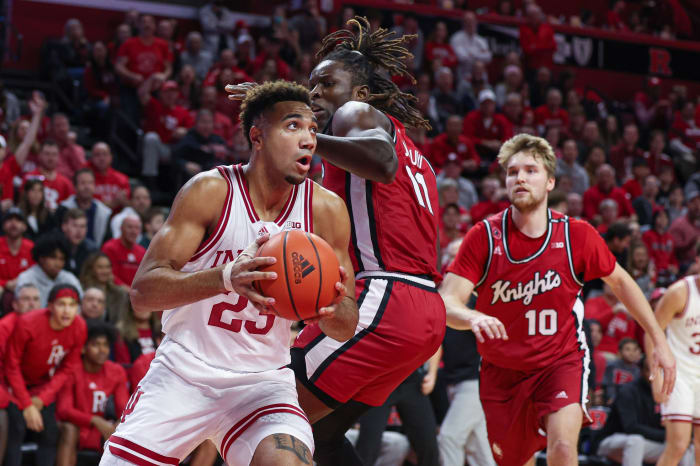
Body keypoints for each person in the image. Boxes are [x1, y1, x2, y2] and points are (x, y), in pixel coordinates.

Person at [99, 80, 358, 465]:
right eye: (293, 127)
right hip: (184, 372)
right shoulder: (210, 191)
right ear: (257, 136)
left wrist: (328, 307)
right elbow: (143, 293)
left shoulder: (326, 210)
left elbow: (347, 323)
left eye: (312, 129)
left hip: (262, 382)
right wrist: (225, 276)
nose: (308, 139)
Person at [228, 16, 446, 466]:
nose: (314, 95)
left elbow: (380, 162)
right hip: (421, 312)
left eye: (326, 83)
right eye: (309, 87)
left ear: (361, 94)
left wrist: (299, 131)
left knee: (258, 419)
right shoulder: (413, 152)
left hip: (384, 299)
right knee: (322, 439)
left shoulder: (357, 115)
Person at [438, 133, 676, 466]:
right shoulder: (484, 237)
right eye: (512, 171)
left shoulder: (576, 235)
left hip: (559, 362)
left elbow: (621, 282)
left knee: (563, 448)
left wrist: (658, 339)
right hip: (502, 372)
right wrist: (471, 316)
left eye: (530, 170)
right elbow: (447, 301)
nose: (519, 177)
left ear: (550, 182)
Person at [4, 284, 87, 466]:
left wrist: (42, 399)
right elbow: (11, 365)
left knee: (50, 431)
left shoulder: (79, 327)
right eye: (61, 304)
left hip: (41, 386)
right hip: (12, 384)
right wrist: (27, 404)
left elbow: (68, 368)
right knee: (16, 427)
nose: (67, 311)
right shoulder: (28, 323)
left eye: (72, 305)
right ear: (49, 306)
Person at [596, 356, 694, 466]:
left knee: (682, 448)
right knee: (635, 441)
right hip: (612, 441)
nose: (655, 375)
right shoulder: (628, 391)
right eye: (650, 370)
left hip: (648, 443)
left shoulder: (669, 393)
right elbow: (630, 427)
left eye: (659, 371)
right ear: (641, 371)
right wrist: (668, 435)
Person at [56, 321, 128, 465]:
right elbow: (64, 410)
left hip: (98, 429)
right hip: (70, 425)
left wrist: (118, 425)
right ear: (83, 348)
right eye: (96, 344)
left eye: (106, 345)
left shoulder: (116, 371)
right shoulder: (71, 369)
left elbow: (124, 410)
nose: (102, 350)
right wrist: (94, 420)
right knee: (71, 429)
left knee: (124, 432)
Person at [649, 274, 700, 466]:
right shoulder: (680, 293)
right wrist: (656, 376)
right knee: (678, 444)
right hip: (679, 375)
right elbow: (652, 331)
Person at [16, 232, 83, 307]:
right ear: (41, 258)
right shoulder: (26, 278)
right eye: (53, 257)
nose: (57, 263)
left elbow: (80, 306)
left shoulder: (69, 279)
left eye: (62, 259)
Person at [101, 216, 146, 287]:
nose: (133, 231)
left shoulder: (142, 251)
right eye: (130, 227)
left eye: (137, 228)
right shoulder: (110, 247)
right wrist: (127, 290)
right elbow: (108, 274)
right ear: (121, 228)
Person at [0, 208, 34, 300]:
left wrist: (20, 282)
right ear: (3, 225)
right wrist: (5, 284)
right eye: (10, 219)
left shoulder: (31, 247)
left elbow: (35, 273)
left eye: (18, 220)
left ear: (25, 226)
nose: (13, 223)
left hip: (26, 289)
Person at [59, 208, 97, 277]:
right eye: (75, 226)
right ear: (64, 226)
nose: (79, 231)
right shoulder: (55, 248)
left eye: (82, 226)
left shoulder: (92, 250)